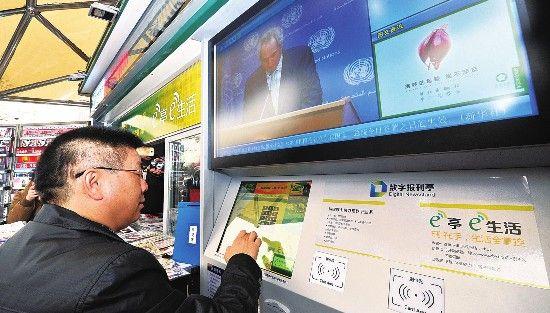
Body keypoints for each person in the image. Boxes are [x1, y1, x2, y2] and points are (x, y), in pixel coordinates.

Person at [0, 126, 262, 313]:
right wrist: (242, 262)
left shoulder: (16, 246)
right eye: (137, 173)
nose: (145, 186)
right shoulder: (119, 270)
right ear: (94, 182)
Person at [243, 27, 323, 122]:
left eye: (273, 55)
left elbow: (313, 95)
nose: (270, 62)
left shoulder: (300, 57)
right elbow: (249, 118)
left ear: (280, 47)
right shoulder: (251, 82)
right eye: (265, 60)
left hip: (302, 130)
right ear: (260, 59)